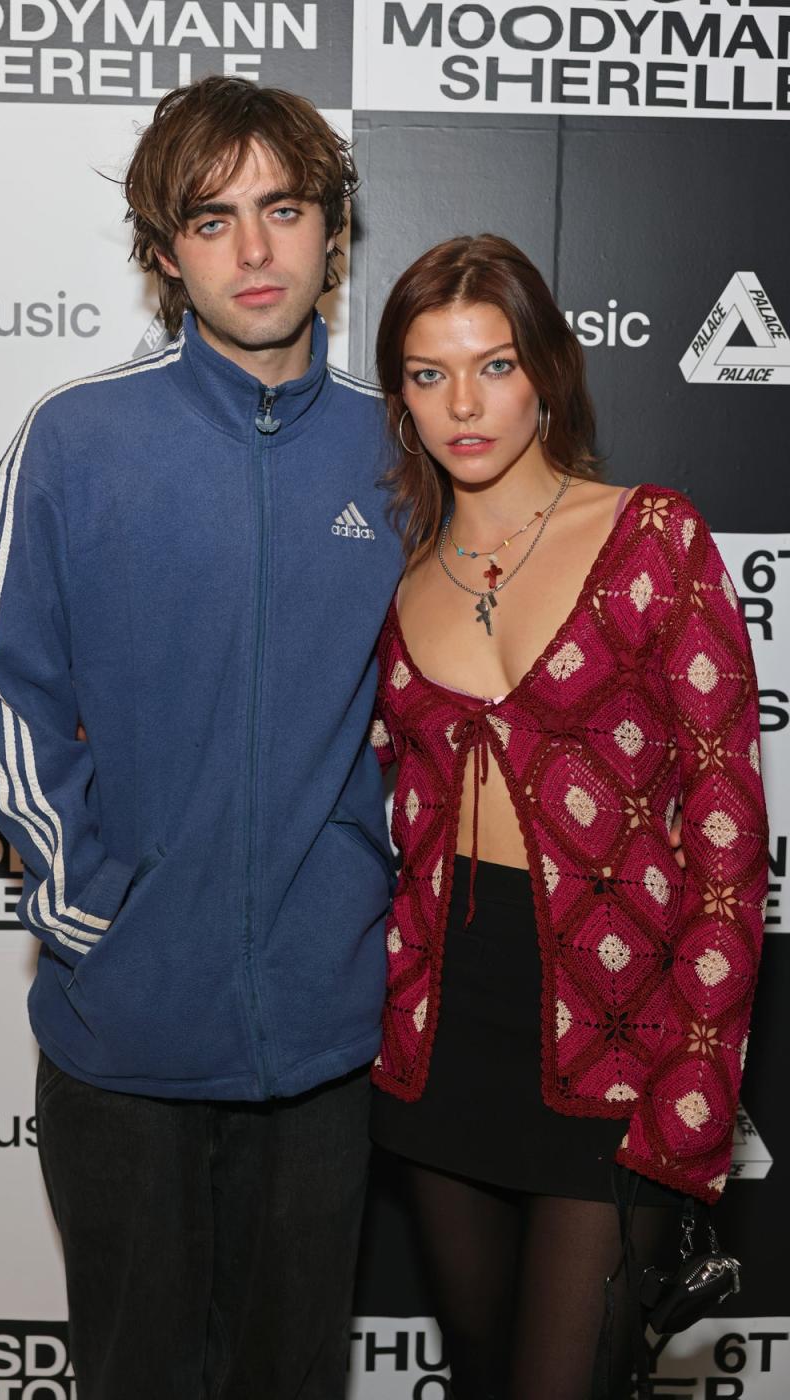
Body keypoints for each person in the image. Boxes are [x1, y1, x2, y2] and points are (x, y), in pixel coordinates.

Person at [0, 77, 402, 1400]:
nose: (254, 250)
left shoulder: (399, 453)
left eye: (283, 209)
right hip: (122, 1032)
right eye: (213, 219)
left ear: (332, 233)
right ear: (164, 253)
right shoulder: (77, 441)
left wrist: (368, 915)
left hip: (324, 1037)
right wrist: (92, 904)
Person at [367, 234, 768, 1400]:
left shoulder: (655, 537)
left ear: (545, 369)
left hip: (623, 1039)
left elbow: (730, 838)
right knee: (489, 1378)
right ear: (400, 395)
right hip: (438, 1043)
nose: (464, 404)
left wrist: (696, 1080)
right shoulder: (396, 583)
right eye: (429, 374)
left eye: (492, 365)